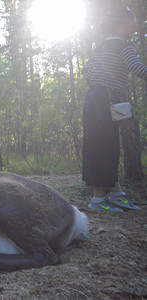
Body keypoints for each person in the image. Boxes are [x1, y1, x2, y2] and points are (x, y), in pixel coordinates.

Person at [83, 7, 147, 212]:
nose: (137, 23)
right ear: (125, 20)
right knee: (105, 148)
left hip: (93, 99)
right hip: (105, 101)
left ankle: (116, 194)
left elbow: (86, 70)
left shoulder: (101, 45)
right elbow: (138, 69)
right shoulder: (123, 46)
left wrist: (98, 82)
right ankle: (98, 201)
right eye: (135, 19)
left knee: (102, 147)